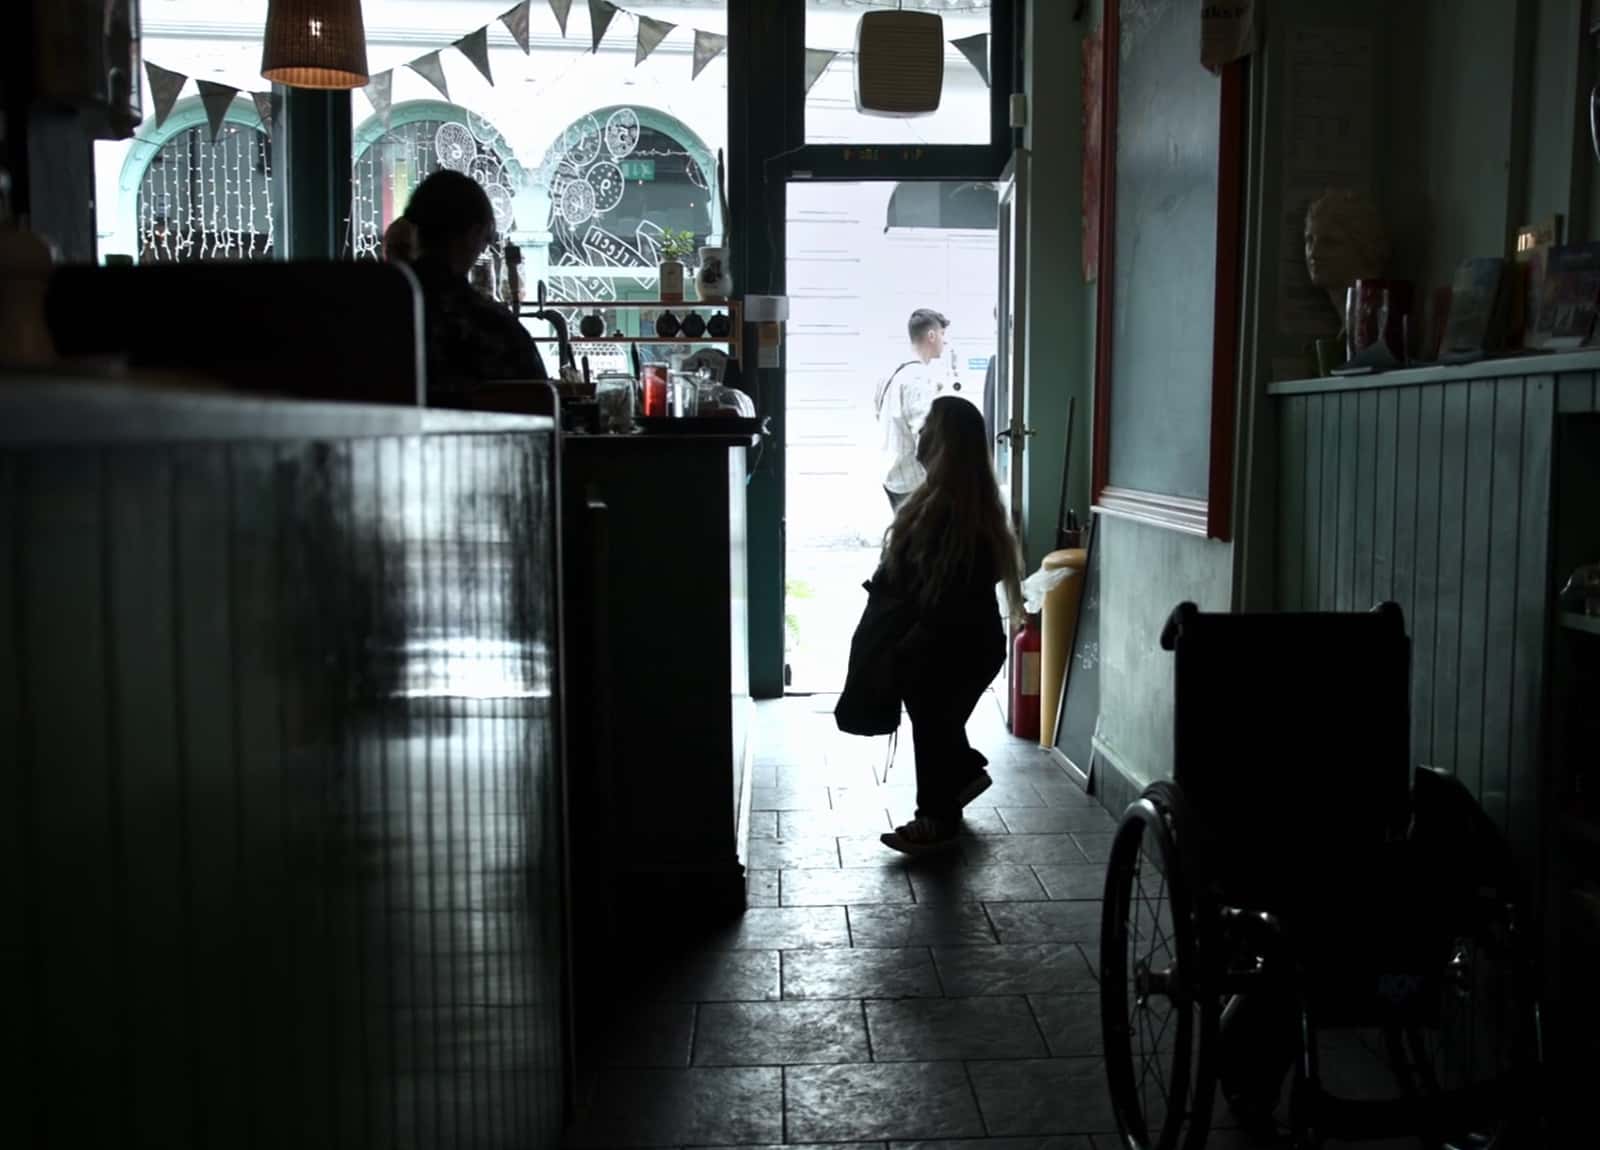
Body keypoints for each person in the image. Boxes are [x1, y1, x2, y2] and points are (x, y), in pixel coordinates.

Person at [874, 395, 1023, 854]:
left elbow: (954, 593)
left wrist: (912, 639)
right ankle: (959, 782)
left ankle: (936, 817)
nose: (918, 437)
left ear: (945, 443)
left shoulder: (954, 510)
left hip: (957, 643)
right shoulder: (952, 500)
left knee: (933, 723)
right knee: (936, 723)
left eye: (926, 430)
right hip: (962, 641)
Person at [401, 169, 547, 389]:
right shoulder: (491, 325)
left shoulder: (372, 311)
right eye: (485, 239)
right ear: (473, 235)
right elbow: (538, 401)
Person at [875, 307, 959, 512]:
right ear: (931, 335)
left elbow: (878, 411)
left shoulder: (892, 372)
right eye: (942, 334)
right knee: (921, 541)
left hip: (892, 474)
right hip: (913, 481)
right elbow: (925, 435)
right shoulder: (919, 378)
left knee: (905, 535)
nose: (944, 341)